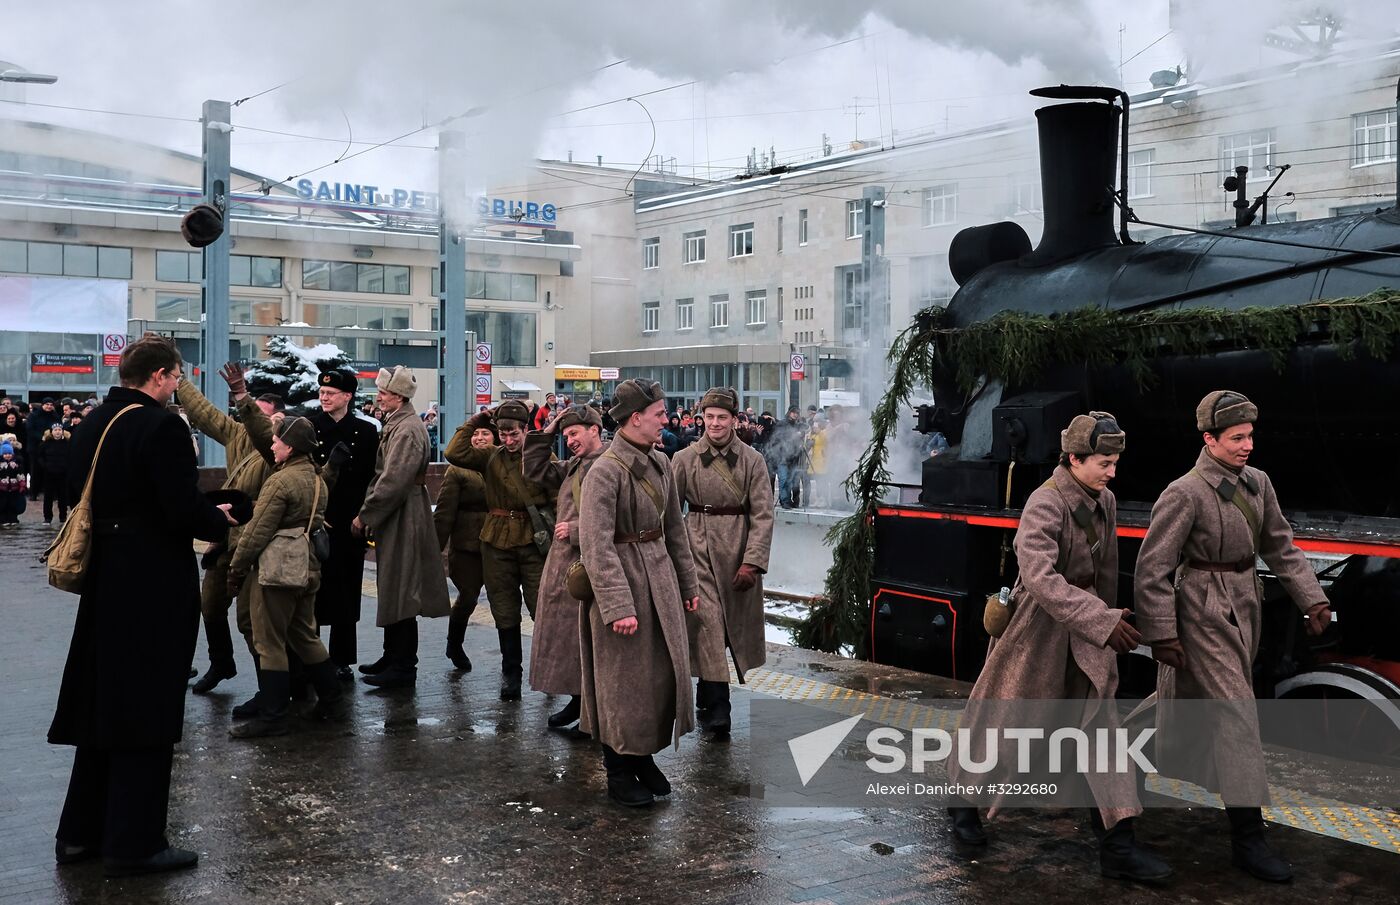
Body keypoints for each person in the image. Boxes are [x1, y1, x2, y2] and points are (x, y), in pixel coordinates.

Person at [945, 412, 1170, 883]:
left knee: (1102, 733)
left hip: (1085, 632)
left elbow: (1104, 573)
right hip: (1037, 633)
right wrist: (1102, 622)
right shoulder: (1044, 503)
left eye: (1115, 463)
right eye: (1104, 463)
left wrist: (1108, 624)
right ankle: (962, 799)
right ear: (1074, 459)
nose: (1112, 472)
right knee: (1004, 725)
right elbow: (1039, 578)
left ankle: (1118, 846)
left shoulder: (1104, 500)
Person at [49, 334, 237, 877]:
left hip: (106, 578)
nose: (177, 386)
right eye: (176, 377)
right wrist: (218, 518)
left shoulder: (94, 421)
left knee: (103, 704)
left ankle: (79, 834)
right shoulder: (161, 426)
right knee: (146, 707)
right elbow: (178, 509)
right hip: (151, 581)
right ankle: (134, 843)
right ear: (158, 376)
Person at [1134, 390, 1331, 883]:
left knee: (1181, 704)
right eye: (1237, 438)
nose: (1248, 446)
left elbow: (1280, 546)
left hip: (1244, 604)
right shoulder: (1185, 492)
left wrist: (1313, 599)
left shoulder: (1258, 483)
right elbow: (1152, 569)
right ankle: (1249, 838)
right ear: (1209, 439)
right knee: (1237, 711)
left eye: (1250, 436)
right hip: (1201, 608)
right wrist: (1162, 634)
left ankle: (1113, 758)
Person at [578, 379, 700, 807]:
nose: (666, 419)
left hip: (660, 582)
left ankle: (641, 756)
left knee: (655, 679)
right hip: (624, 586)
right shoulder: (605, 471)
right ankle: (617, 769)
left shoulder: (662, 462)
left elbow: (675, 530)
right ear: (635, 418)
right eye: (659, 413)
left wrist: (688, 584)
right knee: (621, 683)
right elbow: (596, 545)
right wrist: (616, 606)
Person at [225, 417, 345, 737]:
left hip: (279, 571)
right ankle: (332, 702)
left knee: (269, 641)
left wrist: (236, 569)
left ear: (290, 447)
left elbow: (256, 532)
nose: (273, 444)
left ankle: (273, 715)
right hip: (308, 566)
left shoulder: (280, 482)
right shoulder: (316, 478)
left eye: (277, 440)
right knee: (304, 635)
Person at [672, 387, 774, 739]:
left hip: (737, 550)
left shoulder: (752, 460)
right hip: (696, 549)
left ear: (734, 420)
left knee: (727, 632)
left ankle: (706, 690)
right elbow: (670, 513)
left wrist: (753, 562)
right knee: (708, 624)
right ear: (701, 419)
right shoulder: (684, 459)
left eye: (722, 417)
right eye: (709, 417)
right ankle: (720, 709)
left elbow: (763, 514)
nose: (715, 423)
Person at [443, 399, 556, 700]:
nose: (508, 440)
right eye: (503, 434)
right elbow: (453, 452)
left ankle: (551, 670)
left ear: (526, 430)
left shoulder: (542, 455)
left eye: (514, 434)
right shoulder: (490, 456)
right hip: (496, 540)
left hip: (533, 541)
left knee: (541, 607)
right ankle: (511, 674)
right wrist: (476, 419)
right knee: (503, 608)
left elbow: (557, 495)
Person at [177, 364, 276, 697]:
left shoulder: (277, 449)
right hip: (226, 539)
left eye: (263, 416)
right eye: (251, 413)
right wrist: (179, 380)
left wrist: (242, 396)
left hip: (257, 545)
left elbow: (263, 435)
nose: (253, 419)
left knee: (251, 620)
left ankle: (270, 687)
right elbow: (204, 414)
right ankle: (221, 663)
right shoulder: (237, 435)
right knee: (210, 605)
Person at [352, 367, 451, 689]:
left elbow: (393, 480)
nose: (379, 397)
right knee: (395, 586)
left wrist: (366, 515)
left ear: (399, 396)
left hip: (403, 513)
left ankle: (403, 665)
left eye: (383, 393)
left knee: (403, 589)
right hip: (400, 511)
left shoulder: (406, 429)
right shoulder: (400, 423)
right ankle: (392, 656)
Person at [522, 404, 608, 732]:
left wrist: (575, 530)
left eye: (574, 433)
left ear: (594, 430)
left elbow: (619, 516)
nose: (569, 440)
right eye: (566, 435)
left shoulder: (608, 465)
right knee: (571, 640)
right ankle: (578, 699)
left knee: (585, 639)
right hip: (566, 563)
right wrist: (549, 429)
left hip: (589, 563)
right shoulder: (575, 464)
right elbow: (534, 470)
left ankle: (589, 710)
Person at [310, 369, 380, 680]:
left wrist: (365, 516)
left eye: (331, 393)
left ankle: (342, 659)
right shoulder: (310, 426)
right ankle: (311, 657)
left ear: (347, 396)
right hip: (317, 520)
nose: (324, 397)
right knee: (312, 591)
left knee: (347, 591)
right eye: (322, 392)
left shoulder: (365, 431)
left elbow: (372, 478)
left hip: (350, 522)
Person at [433, 412, 495, 671]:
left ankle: (511, 660)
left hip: (498, 544)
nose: (479, 438)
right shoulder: (458, 469)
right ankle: (454, 643)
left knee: (503, 601)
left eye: (485, 433)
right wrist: (435, 549)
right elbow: (444, 513)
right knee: (468, 597)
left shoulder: (502, 464)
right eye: (475, 434)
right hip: (467, 546)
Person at [37, 421, 73, 525]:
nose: (57, 432)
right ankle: (47, 517)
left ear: (62, 431)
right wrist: (45, 466)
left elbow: (71, 457)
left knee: (63, 496)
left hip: (63, 474)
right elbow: (39, 457)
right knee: (48, 497)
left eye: (59, 430)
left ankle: (63, 516)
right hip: (49, 473)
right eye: (55, 430)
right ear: (51, 432)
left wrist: (67, 467)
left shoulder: (67, 444)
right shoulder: (45, 444)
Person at [771, 406, 808, 508]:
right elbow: (779, 437)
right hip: (782, 456)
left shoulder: (797, 425)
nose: (795, 414)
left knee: (791, 480)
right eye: (793, 412)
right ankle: (785, 501)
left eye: (797, 413)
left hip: (794, 456)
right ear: (789, 412)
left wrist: (801, 434)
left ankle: (790, 500)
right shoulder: (782, 424)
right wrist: (794, 435)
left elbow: (806, 427)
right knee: (783, 479)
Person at [27, 397, 59, 501]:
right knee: (35, 471)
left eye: (51, 405)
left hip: (50, 447)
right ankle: (33, 493)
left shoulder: (55, 416)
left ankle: (51, 493)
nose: (49, 406)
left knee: (50, 471)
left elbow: (58, 427)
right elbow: (30, 429)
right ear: (42, 405)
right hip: (35, 447)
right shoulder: (34, 415)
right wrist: (41, 437)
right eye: (47, 404)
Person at [0, 441, 24, 527]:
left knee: (13, 504)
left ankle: (13, 518)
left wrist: (22, 484)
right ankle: (3, 519)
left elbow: (20, 475)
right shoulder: (1, 465)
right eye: (5, 454)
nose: (8, 455)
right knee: (2, 505)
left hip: (14, 488)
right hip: (2, 488)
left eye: (9, 454)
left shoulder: (16, 464)